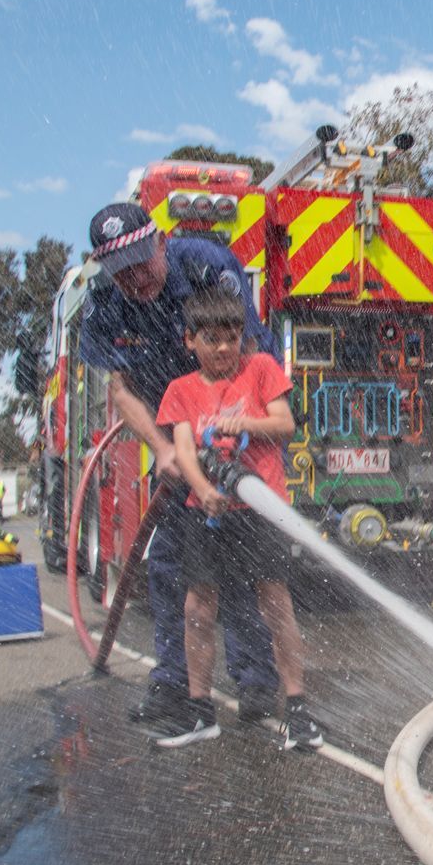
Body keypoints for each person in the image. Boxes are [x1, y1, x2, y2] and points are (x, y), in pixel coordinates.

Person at [78, 201, 281, 727]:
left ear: (162, 243)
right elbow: (121, 389)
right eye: (121, 270)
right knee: (172, 566)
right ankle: (174, 684)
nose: (136, 277)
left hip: (234, 424)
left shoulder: (205, 266)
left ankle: (256, 681)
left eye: (142, 262)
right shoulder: (105, 306)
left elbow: (246, 354)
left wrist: (232, 438)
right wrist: (165, 449)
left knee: (241, 562)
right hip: (175, 431)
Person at [152, 286, 324, 751]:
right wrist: (204, 490)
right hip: (207, 514)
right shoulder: (181, 391)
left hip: (260, 509)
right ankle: (200, 711)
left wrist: (242, 423)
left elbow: (284, 423)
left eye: (231, 337)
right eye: (211, 339)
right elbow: (184, 450)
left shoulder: (261, 368)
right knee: (198, 609)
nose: (223, 348)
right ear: (190, 340)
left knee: (275, 605)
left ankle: (299, 711)